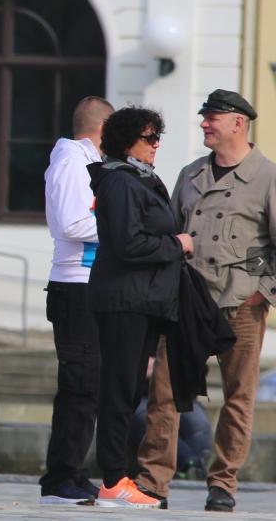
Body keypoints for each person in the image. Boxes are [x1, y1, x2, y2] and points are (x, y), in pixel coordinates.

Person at [136, 89, 276, 513]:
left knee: (238, 396)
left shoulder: (267, 176)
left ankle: (223, 483)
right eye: (203, 117)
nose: (204, 124)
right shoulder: (191, 173)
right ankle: (153, 482)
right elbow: (172, 233)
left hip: (241, 305)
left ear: (239, 123)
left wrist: (262, 290)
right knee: (164, 392)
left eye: (212, 117)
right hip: (188, 301)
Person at [86, 106, 193, 508]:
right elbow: (129, 243)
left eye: (158, 137)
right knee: (118, 388)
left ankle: (121, 476)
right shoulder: (119, 182)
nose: (156, 146)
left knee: (130, 389)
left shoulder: (137, 179)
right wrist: (177, 245)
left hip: (141, 299)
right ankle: (113, 480)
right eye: (149, 138)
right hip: (123, 300)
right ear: (126, 141)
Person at [39, 96, 114, 505]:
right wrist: (120, 226)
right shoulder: (71, 161)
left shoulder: (86, 161)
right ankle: (60, 478)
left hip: (88, 285)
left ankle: (73, 471)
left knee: (88, 386)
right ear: (103, 128)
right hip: (75, 286)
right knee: (79, 386)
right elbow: (70, 222)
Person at [128, 359, 212, 481]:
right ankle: (190, 464)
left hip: (179, 396)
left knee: (199, 425)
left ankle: (194, 468)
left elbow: (200, 374)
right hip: (141, 397)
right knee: (152, 420)